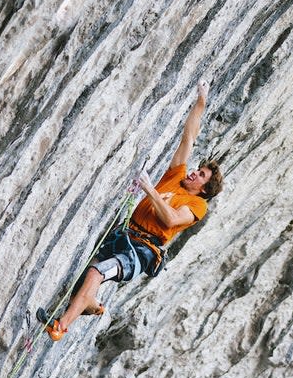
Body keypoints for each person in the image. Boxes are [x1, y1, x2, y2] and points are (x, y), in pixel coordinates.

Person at [40, 80, 223, 341]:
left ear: (205, 188)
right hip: (124, 235)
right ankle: (91, 304)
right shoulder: (177, 176)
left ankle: (60, 326)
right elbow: (189, 137)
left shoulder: (198, 205)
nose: (194, 172)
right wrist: (201, 102)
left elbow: (170, 219)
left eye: (201, 175)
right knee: (83, 280)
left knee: (96, 272)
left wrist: (150, 190)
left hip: (142, 252)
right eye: (198, 169)